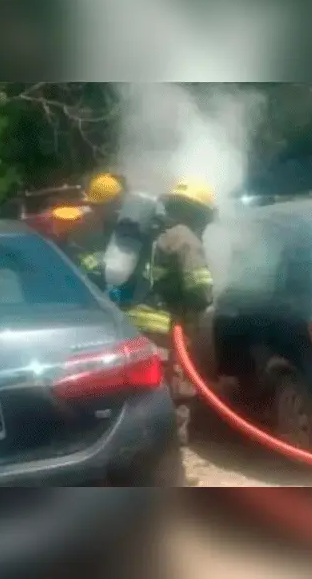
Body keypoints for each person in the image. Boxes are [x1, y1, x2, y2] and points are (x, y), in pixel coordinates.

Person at [119, 178, 216, 466]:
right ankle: (173, 469)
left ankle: (140, 462)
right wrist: (200, 306)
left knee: (142, 397)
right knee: (178, 393)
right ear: (200, 213)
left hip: (134, 325)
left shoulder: (152, 234)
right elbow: (200, 287)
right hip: (164, 331)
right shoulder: (185, 237)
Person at [69, 172, 128, 287]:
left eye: (99, 205)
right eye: (93, 205)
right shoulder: (86, 224)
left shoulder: (130, 223)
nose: (94, 209)